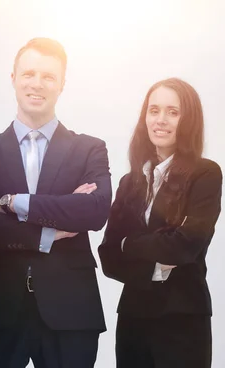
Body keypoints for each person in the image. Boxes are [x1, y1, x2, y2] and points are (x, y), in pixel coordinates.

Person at [0, 38, 111, 368]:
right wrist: (55, 219)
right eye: (29, 73)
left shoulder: (90, 148)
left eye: (48, 76)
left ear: (62, 84)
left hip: (71, 306)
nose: (37, 84)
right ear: (13, 78)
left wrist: (12, 203)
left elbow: (95, 210)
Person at [98, 78, 221, 368]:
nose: (160, 120)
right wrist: (153, 266)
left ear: (188, 119)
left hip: (183, 319)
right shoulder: (130, 182)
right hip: (133, 319)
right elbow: (109, 256)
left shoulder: (205, 174)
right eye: (153, 110)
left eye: (172, 112)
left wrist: (131, 243)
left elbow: (184, 246)